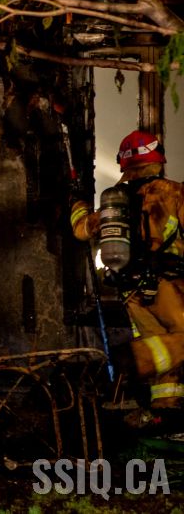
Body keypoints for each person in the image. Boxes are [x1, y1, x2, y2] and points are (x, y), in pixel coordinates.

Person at [70, 130, 184, 420]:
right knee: (176, 342)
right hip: (166, 285)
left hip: (131, 291)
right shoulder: (173, 192)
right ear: (157, 159)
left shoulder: (115, 203)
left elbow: (81, 229)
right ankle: (128, 361)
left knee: (162, 349)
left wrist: (78, 205)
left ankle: (165, 410)